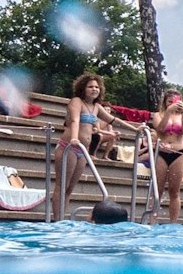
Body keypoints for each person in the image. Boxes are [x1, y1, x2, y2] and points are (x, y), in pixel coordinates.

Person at [56, 74, 132, 219]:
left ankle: (62, 218)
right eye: (90, 86)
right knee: (62, 186)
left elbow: (113, 120)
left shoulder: (96, 107)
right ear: (83, 88)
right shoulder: (76, 101)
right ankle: (56, 219)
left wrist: (136, 129)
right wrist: (73, 138)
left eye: (96, 87)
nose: (94, 89)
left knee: (70, 188)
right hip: (69, 147)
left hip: (83, 151)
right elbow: (75, 120)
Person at [149, 91, 183, 224]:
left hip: (179, 152)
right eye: (169, 101)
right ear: (165, 102)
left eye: (175, 101)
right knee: (157, 189)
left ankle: (173, 222)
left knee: (174, 191)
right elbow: (160, 128)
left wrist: (182, 113)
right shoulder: (158, 115)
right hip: (161, 152)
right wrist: (168, 113)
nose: (172, 104)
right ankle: (152, 220)